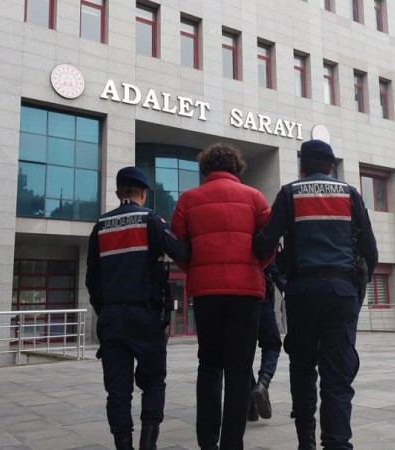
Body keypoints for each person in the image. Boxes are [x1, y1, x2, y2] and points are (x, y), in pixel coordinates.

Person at [253, 140, 378, 450]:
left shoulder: (289, 193)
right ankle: (337, 443)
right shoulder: (350, 194)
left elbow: (265, 243)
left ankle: (306, 442)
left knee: (303, 368)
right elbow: (370, 252)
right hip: (341, 293)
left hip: (302, 293)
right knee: (338, 376)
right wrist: (355, 291)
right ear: (332, 167)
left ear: (302, 167)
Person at [171, 142, 271, 450]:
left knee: (209, 366)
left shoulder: (189, 199)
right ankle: (231, 444)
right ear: (237, 167)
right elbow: (268, 244)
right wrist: (254, 266)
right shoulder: (255, 197)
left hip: (207, 293)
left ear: (205, 168)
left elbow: (179, 248)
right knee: (239, 372)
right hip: (246, 293)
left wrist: (196, 269)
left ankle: (207, 442)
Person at [86, 166, 190, 450]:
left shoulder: (100, 226)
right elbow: (181, 252)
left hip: (111, 318)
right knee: (153, 382)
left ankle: (124, 445)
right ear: (144, 193)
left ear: (118, 192)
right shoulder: (151, 220)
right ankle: (147, 444)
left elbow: (91, 279)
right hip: (146, 317)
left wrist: (105, 311)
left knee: (117, 391)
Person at [248, 260, 286, 422]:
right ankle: (263, 381)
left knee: (242, 352)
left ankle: (251, 407)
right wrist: (286, 287)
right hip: (260, 295)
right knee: (272, 344)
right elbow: (270, 261)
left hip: (236, 299)